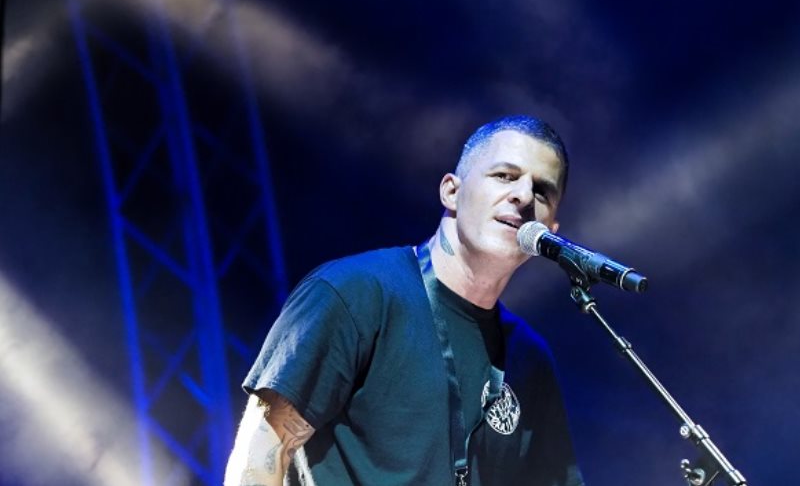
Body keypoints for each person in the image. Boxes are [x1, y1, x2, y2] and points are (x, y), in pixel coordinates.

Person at [224, 115, 585, 486]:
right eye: (505, 176)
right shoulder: (354, 293)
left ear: (551, 230)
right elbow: (258, 461)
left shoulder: (529, 357)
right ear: (451, 192)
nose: (523, 196)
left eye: (542, 191)